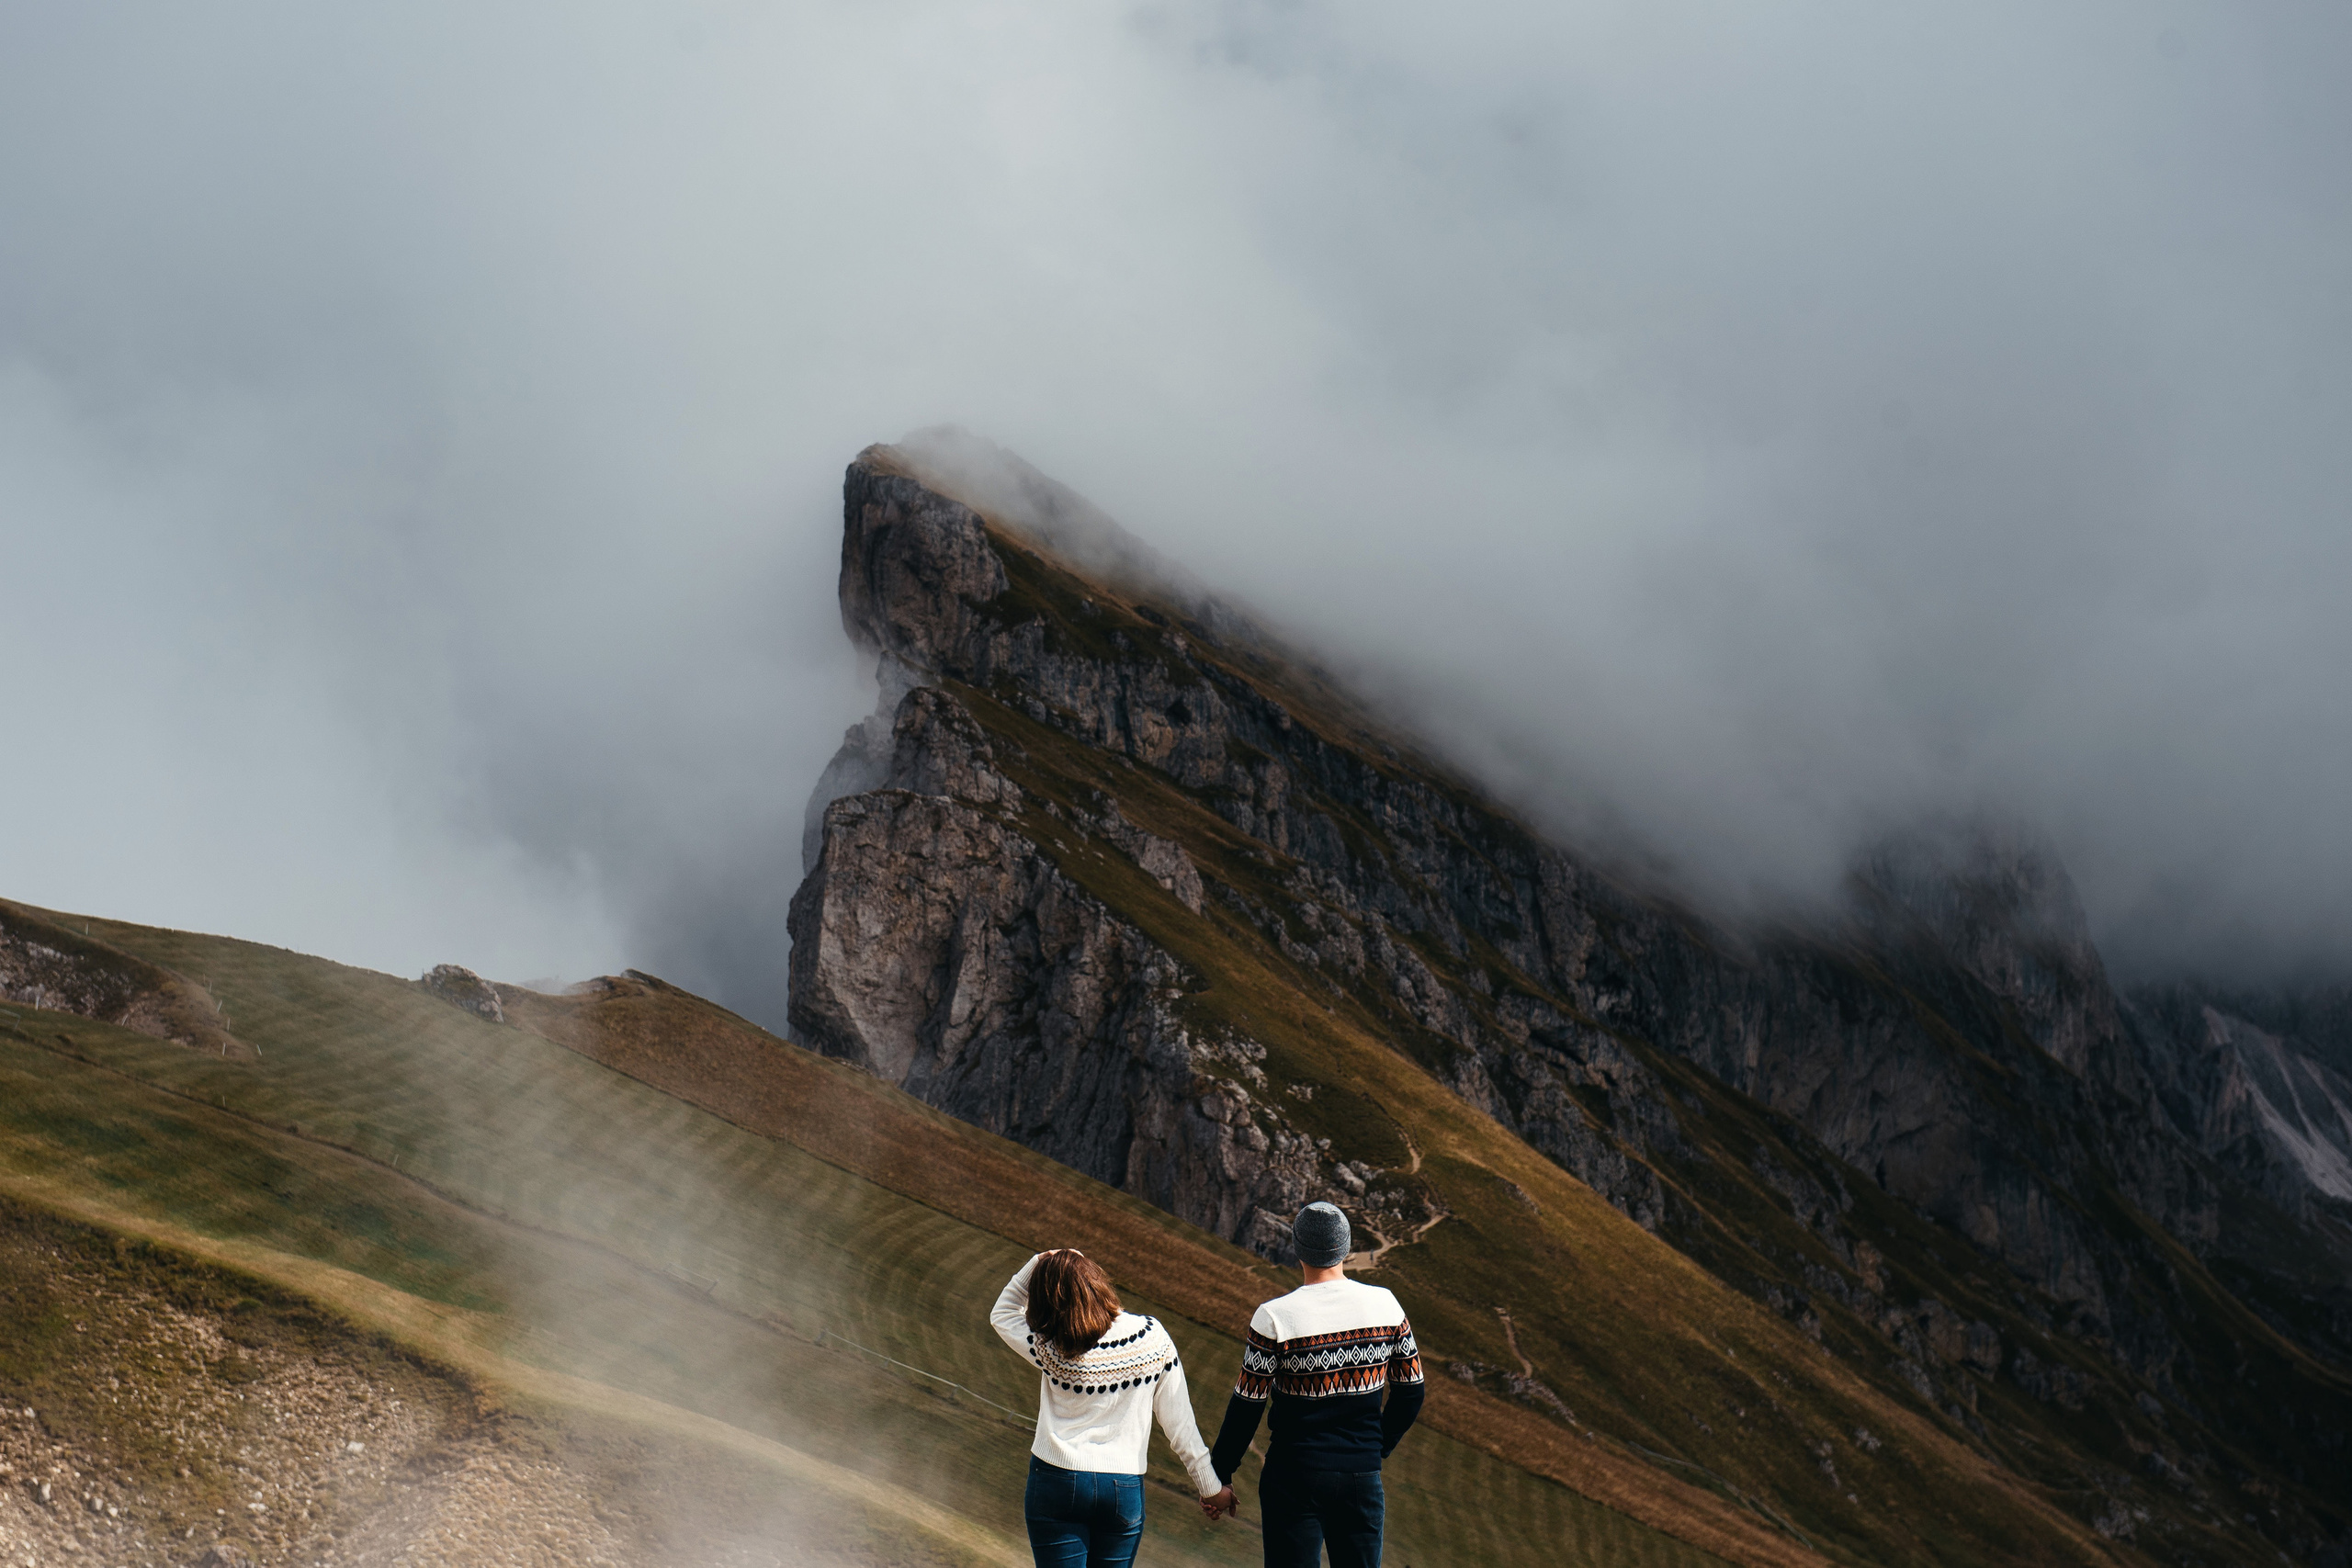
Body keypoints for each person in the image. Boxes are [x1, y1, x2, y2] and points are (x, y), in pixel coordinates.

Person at [1203, 1202, 1424, 1568]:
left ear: (1296, 1248)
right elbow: (1411, 1392)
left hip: (1293, 1475)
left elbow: (1246, 1407)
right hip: (1360, 1477)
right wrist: (1373, 1448)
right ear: (1347, 1247)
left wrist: (1219, 1477)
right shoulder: (1387, 1305)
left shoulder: (1274, 1316)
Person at [990, 1248, 1226, 1567]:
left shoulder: (1052, 1345)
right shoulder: (1151, 1338)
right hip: (1123, 1487)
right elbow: (1179, 1424)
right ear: (1098, 1282)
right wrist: (1210, 1487)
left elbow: (1003, 1313)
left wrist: (1040, 1260)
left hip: (1056, 1479)